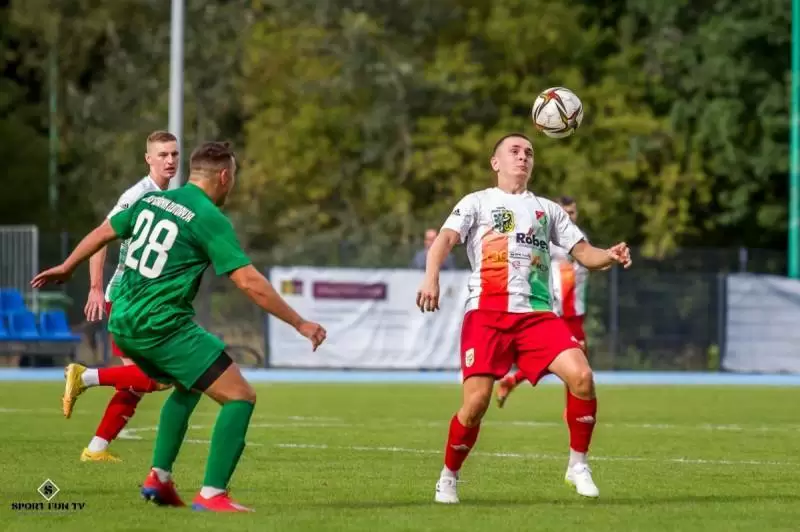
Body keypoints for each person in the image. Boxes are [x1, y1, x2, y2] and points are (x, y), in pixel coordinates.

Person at [32, 141, 327, 512]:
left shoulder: (152, 200)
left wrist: (67, 266)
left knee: (188, 385)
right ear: (224, 176)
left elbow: (103, 231)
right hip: (162, 326)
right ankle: (213, 495)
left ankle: (159, 479)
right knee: (240, 396)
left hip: (122, 321)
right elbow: (248, 282)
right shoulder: (207, 216)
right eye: (233, 177)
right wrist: (300, 322)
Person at [415, 133, 631, 504]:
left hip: (537, 314)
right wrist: (431, 277)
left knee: (582, 377)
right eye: (514, 151)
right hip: (487, 313)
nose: (523, 157)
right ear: (495, 162)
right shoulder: (477, 202)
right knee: (476, 404)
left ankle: (578, 465)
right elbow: (445, 240)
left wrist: (609, 255)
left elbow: (584, 253)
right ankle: (448, 476)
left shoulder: (548, 210)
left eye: (528, 152)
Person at [61, 130, 180, 463]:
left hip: (144, 301)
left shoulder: (170, 197)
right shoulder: (138, 195)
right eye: (163, 154)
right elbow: (101, 236)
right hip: (128, 299)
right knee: (160, 377)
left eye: (174, 154)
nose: (170, 160)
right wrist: (95, 287)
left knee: (137, 381)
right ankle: (84, 376)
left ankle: (96, 449)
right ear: (148, 159)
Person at [495, 196, 591, 407]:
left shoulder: (580, 237)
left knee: (574, 359)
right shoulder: (547, 236)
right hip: (557, 309)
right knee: (575, 359)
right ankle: (572, 410)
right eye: (565, 212)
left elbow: (585, 264)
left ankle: (514, 380)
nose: (570, 216)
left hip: (575, 307)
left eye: (573, 212)